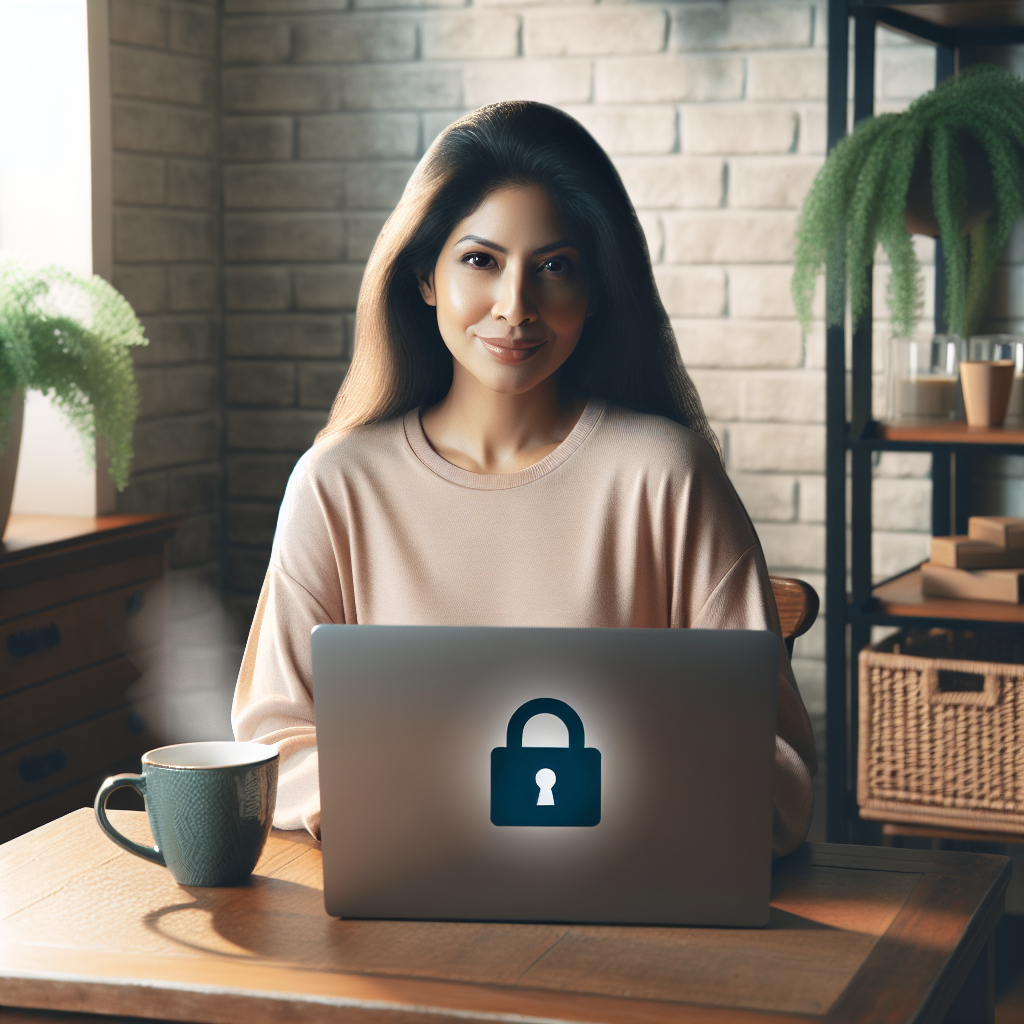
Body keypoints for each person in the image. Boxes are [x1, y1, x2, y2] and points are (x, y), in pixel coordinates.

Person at [232, 101, 817, 856]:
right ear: (424, 277)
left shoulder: (668, 478)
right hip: (400, 913)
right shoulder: (335, 486)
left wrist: (560, 809)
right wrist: (456, 806)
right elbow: (274, 748)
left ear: (596, 290)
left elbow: (775, 772)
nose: (516, 308)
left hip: (626, 906)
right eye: (481, 261)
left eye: (555, 268)